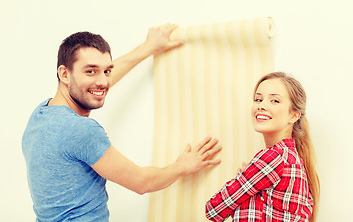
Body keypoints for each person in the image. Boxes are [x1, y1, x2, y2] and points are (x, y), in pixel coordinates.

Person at [22, 24, 222, 221]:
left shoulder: (41, 114)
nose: (102, 82)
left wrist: (146, 48)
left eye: (106, 71)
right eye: (90, 71)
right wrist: (181, 166)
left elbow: (95, 85)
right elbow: (141, 182)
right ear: (65, 74)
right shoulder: (80, 130)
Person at [205, 72, 320, 222]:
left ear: (294, 115)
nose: (262, 106)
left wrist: (244, 180)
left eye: (274, 101)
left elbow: (213, 209)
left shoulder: (273, 158)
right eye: (258, 99)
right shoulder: (293, 160)